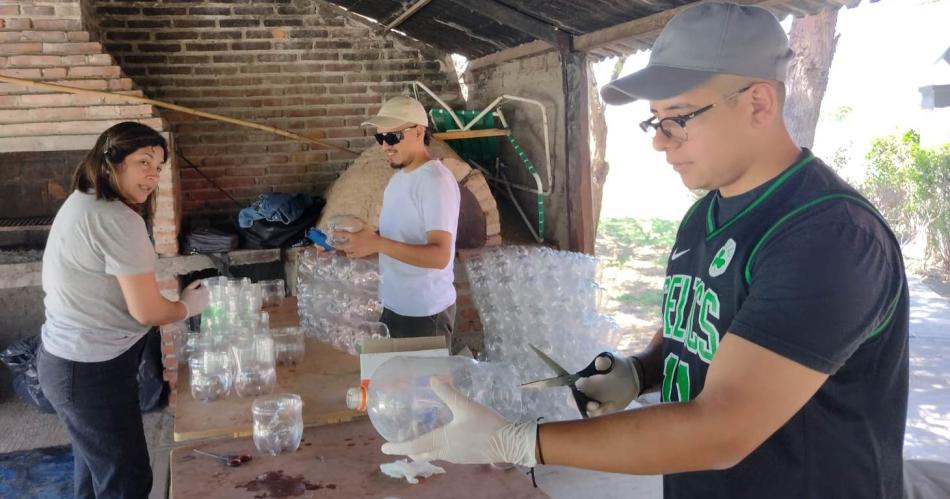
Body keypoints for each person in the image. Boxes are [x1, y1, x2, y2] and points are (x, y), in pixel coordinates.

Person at [380, 4, 909, 499]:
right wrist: (641, 369)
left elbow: (723, 429)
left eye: (678, 117)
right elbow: (698, 329)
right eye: (655, 121)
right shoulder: (707, 213)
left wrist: (520, 440)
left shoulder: (828, 237)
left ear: (759, 104)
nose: (660, 141)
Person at [37, 122, 210, 499]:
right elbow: (148, 311)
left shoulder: (85, 199)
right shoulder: (116, 217)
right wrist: (187, 306)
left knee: (96, 473)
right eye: (142, 161)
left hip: (69, 361)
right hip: (88, 372)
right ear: (109, 161)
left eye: (159, 166)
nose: (153, 174)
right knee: (127, 481)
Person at [330, 96, 461, 346]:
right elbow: (395, 236)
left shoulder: (434, 181)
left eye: (393, 137)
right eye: (380, 138)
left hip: (425, 312)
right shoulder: (399, 179)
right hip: (395, 305)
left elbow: (440, 255)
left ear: (419, 131)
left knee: (422, 386)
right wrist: (345, 243)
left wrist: (377, 244)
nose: (385, 146)